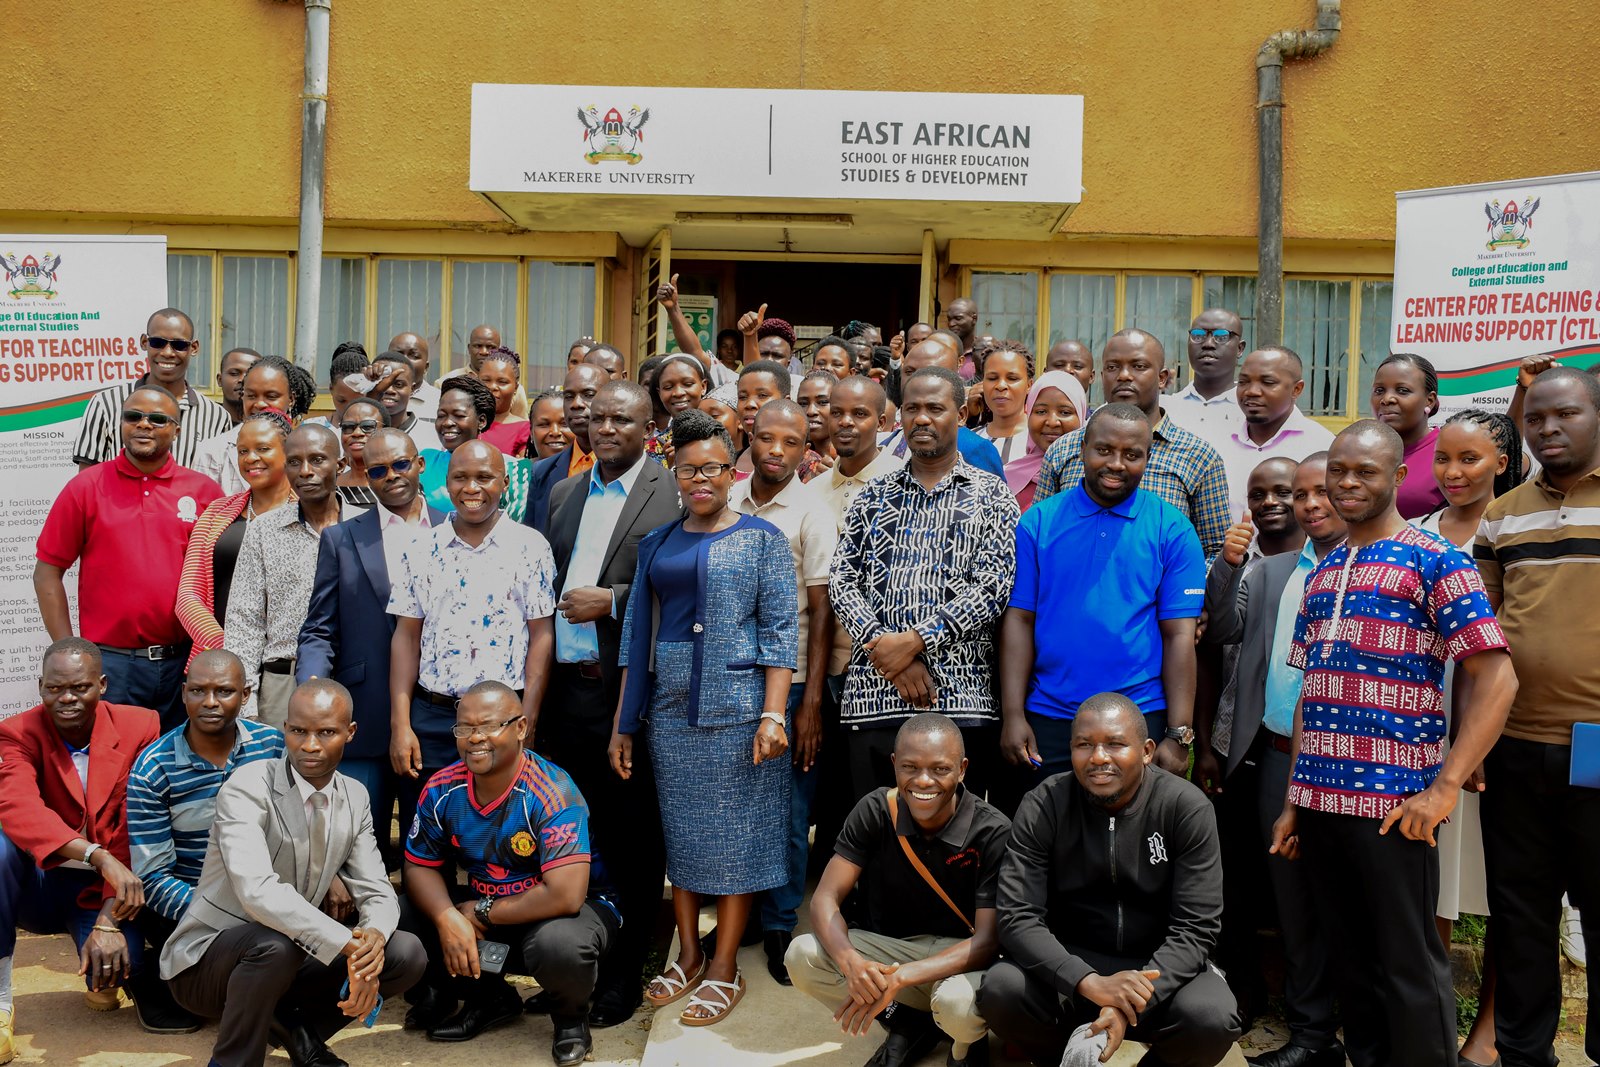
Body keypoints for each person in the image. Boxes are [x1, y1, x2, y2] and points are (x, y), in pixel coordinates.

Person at [1268, 420, 1517, 1067]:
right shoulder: (1322, 574)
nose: (1348, 484)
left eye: (1365, 472)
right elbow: (1309, 694)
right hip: (1321, 806)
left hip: (1395, 807)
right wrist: (1296, 799)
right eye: (1338, 472)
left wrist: (1443, 787)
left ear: (1400, 478)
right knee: (1353, 968)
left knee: (1409, 966)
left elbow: (1497, 677)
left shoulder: (1437, 559)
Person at [608, 409, 798, 1026]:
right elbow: (636, 634)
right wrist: (624, 723)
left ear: (731, 470)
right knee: (683, 839)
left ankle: (723, 966)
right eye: (688, 469)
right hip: (668, 713)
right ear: (675, 472)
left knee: (739, 841)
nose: (701, 479)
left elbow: (780, 632)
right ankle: (687, 955)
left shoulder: (761, 540)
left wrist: (775, 715)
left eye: (713, 468)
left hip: (740, 714)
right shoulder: (657, 542)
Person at [161, 680, 427, 1067]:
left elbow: (377, 891)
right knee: (273, 944)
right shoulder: (248, 786)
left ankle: (298, 1032)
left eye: (327, 732)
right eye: (298, 731)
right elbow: (257, 891)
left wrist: (370, 946)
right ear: (284, 728)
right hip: (205, 964)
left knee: (405, 952)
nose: (311, 745)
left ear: (350, 733)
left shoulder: (354, 796)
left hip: (292, 955)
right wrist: (346, 944)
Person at [981, 693, 1239, 1067]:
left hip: (1157, 969)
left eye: (1116, 744)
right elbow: (1017, 917)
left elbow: (1196, 927)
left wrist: (1128, 1002)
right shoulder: (1044, 804)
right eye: (1084, 745)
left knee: (1211, 1017)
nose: (1098, 757)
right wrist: (1087, 981)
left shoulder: (1186, 807)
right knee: (1002, 990)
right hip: (1070, 965)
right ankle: (1062, 1059)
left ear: (1148, 751)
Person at [540, 380, 681, 1024]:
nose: (605, 429)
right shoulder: (567, 492)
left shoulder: (670, 491)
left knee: (631, 839)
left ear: (647, 426)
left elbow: (680, 585)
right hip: (564, 694)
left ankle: (624, 973)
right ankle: (574, 962)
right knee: (573, 833)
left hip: (628, 693)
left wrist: (614, 600)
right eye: (597, 419)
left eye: (621, 419)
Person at [1201, 454, 1348, 1067]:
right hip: (1280, 755)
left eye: (1319, 492)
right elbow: (1223, 632)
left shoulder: (1377, 561)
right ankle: (1310, 1033)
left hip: (1354, 761)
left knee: (1342, 896)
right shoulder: (1274, 571)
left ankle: (1351, 1026)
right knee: (1290, 898)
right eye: (1302, 493)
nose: (1309, 504)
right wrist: (1228, 566)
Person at [1474, 366, 1600, 1067]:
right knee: (1520, 915)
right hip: (1517, 745)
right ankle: (1525, 1053)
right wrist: (1477, 741)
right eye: (1537, 418)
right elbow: (1483, 635)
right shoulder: (1504, 511)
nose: (1549, 428)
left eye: (1568, 415)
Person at [398, 684, 619, 1063]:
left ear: (520, 727)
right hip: (492, 908)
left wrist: (481, 911)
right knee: (404, 912)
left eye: (488, 726)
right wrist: (448, 916)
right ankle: (490, 999)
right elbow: (419, 866)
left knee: (559, 946)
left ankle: (570, 1019)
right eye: (464, 728)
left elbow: (565, 895)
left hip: (569, 912)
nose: (475, 738)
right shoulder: (441, 788)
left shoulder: (552, 791)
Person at [832, 368, 1018, 803]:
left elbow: (993, 586)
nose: (921, 419)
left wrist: (916, 641)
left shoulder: (992, 496)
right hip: (873, 696)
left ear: (963, 413)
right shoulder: (874, 494)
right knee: (878, 840)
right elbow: (842, 579)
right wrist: (887, 648)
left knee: (955, 850)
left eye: (935, 408)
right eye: (912, 408)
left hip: (961, 700)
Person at [0, 639, 195, 1050]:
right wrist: (95, 854)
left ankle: (109, 978)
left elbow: (135, 827)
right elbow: (17, 807)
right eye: (54, 689)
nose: (66, 698)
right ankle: (0, 1003)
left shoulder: (140, 726)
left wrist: (109, 920)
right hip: (40, 882)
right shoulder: (17, 732)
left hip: (107, 889)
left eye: (79, 687)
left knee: (120, 964)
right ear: (40, 686)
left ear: (102, 684)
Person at [1000, 403, 1205, 787]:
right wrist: (1013, 714)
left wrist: (1179, 733)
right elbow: (1020, 619)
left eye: (1132, 455)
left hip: (1139, 716)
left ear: (1148, 457)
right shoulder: (1038, 522)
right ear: (1083, 449)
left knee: (1130, 842)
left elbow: (1180, 635)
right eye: (1104, 450)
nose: (1116, 464)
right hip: (1050, 715)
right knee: (1045, 838)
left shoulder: (1173, 529)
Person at [787, 713, 1008, 1067]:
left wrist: (899, 978)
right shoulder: (876, 809)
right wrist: (852, 963)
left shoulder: (992, 831)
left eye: (940, 769)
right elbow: (826, 898)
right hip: (894, 950)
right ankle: (906, 1023)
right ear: (894, 765)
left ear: (963, 768)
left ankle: (965, 1045)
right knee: (802, 954)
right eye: (910, 767)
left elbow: (986, 942)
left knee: (956, 1006)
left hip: (960, 958)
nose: (923, 780)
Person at [1414, 409, 1521, 1067]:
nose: (1453, 472)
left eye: (1471, 459)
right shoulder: (1417, 533)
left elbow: (1506, 652)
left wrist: (1474, 747)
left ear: (1501, 463)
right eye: (1444, 459)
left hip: (1491, 740)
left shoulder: (1511, 529)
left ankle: (1487, 1030)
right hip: (1425, 742)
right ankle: (1428, 1023)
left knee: (1507, 890)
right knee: (1435, 889)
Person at [389, 440, 557, 829]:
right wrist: (402, 724)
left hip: (504, 721)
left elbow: (541, 635)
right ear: (445, 484)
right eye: (460, 478)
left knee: (505, 836)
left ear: (504, 483)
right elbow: (406, 636)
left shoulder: (530, 546)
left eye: (484, 477)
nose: (472, 488)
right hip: (433, 717)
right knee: (427, 836)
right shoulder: (420, 548)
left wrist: (526, 718)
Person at [35, 388, 224, 728]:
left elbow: (222, 579)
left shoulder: (204, 491)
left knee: (183, 769)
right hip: (111, 665)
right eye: (133, 417)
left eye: (157, 419)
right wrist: (70, 651)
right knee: (113, 771)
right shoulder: (86, 487)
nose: (144, 425)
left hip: (185, 663)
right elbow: (47, 572)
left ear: (176, 429)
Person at [731, 400, 840, 983]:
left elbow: (821, 614)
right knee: (737, 807)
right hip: (730, 681)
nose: (776, 450)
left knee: (789, 813)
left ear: (806, 449)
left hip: (792, 683)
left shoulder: (813, 513)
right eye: (766, 437)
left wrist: (812, 704)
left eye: (791, 442)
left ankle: (779, 924)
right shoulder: (722, 500)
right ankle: (741, 914)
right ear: (748, 436)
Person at [299, 428, 445, 857]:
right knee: (359, 851)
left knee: (433, 851)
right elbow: (320, 628)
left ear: (419, 464)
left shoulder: (454, 528)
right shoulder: (343, 538)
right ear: (365, 475)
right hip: (364, 718)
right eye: (377, 469)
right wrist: (313, 687)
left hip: (438, 722)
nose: (391, 476)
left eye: (401, 464)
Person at [126, 651, 286, 944]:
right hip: (191, 912)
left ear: (246, 695)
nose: (210, 702)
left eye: (224, 691)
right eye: (198, 691)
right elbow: (153, 879)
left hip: (271, 900)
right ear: (185, 694)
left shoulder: (272, 746)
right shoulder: (154, 767)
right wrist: (231, 912)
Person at [1034, 329, 1231, 560]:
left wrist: (1179, 590)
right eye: (1113, 367)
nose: (1124, 376)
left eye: (1138, 366)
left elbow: (1215, 551)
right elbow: (1041, 535)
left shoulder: (1199, 456)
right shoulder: (1064, 449)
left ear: (1162, 378)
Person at [225, 423, 359, 727]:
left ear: (340, 464)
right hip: (281, 684)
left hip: (351, 681)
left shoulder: (365, 529)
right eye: (295, 462)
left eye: (317, 460)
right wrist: (247, 705)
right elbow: (244, 620)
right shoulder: (263, 529)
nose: (306, 471)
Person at [175, 409, 296, 667]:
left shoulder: (308, 514)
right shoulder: (216, 513)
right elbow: (188, 597)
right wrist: (229, 650)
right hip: (220, 663)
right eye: (243, 451)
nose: (251, 458)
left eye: (262, 449)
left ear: (288, 452)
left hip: (287, 665)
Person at [72, 307, 233, 470]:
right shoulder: (105, 404)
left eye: (179, 345)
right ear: (144, 342)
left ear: (194, 348)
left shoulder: (217, 417)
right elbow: (87, 481)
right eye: (158, 343)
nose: (168, 352)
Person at [1219, 347, 1336, 516]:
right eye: (1243, 382)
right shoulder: (1218, 444)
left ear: (1297, 389)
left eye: (1268, 382)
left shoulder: (1323, 447)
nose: (1251, 391)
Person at [882, 332, 1006, 478]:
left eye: (929, 372)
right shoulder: (885, 443)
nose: (916, 380)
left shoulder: (974, 448)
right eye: (909, 371)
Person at [192, 354, 319, 493]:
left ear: (291, 399)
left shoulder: (312, 449)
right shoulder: (213, 452)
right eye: (251, 396)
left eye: (271, 396)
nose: (259, 404)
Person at [420, 375, 533, 522]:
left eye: (459, 415)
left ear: (481, 421)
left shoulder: (510, 468)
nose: (447, 423)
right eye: (441, 415)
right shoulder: (425, 462)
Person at [525, 364, 606, 535]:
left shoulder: (626, 465)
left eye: (588, 395)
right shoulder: (541, 472)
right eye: (569, 396)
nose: (576, 404)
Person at [1371, 352, 1447, 518]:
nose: (1387, 398)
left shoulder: (1447, 453)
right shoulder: (1362, 451)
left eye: (1402, 390)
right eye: (1379, 390)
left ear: (1430, 400)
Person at [1005, 370, 1087, 511]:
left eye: (1065, 412)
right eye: (1041, 411)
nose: (1052, 422)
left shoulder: (1091, 477)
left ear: (1081, 414)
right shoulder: (1007, 476)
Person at [1166, 308, 1249, 438]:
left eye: (1221, 336)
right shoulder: (1165, 408)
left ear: (1240, 348)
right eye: (1198, 336)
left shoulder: (1253, 410)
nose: (1208, 344)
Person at [655, 275, 738, 388]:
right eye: (668, 386)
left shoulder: (743, 377)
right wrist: (673, 309)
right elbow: (693, 352)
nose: (678, 392)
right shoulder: (725, 376)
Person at [369, 351, 443, 453]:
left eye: (398, 384)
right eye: (381, 382)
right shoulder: (357, 432)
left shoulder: (434, 436)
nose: (389, 390)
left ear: (412, 389)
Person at [976, 341, 1033, 464]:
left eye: (1012, 378)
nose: (1001, 386)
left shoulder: (1040, 441)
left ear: (1029, 385)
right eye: (992, 378)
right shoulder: (968, 441)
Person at [647, 353, 710, 464]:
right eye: (668, 387)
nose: (678, 393)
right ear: (659, 392)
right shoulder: (650, 449)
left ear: (703, 386)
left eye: (688, 384)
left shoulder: (722, 436)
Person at [476, 346, 533, 457]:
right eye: (486, 380)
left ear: (515, 388)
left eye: (502, 382)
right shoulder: (467, 422)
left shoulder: (524, 429)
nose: (492, 387)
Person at [334, 396, 387, 509]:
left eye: (367, 426)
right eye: (348, 427)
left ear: (386, 431)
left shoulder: (399, 483)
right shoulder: (330, 487)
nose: (357, 433)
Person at [389, 331, 439, 418]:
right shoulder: (376, 395)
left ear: (426, 367)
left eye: (414, 356)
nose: (404, 361)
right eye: (397, 354)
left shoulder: (439, 400)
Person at [798, 369, 839, 465]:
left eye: (823, 402)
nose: (811, 411)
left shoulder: (856, 459)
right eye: (803, 403)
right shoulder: (792, 461)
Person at [215, 347, 262, 425]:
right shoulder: (203, 421)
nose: (242, 379)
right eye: (234, 373)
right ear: (220, 380)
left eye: (250, 374)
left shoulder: (270, 426)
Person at [529, 388, 571, 459]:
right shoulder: (512, 469)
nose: (555, 432)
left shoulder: (594, 469)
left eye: (565, 424)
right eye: (544, 425)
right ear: (531, 433)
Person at [944, 298, 979, 380]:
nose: (951, 324)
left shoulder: (983, 351)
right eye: (949, 319)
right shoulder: (943, 350)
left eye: (958, 318)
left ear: (974, 319)